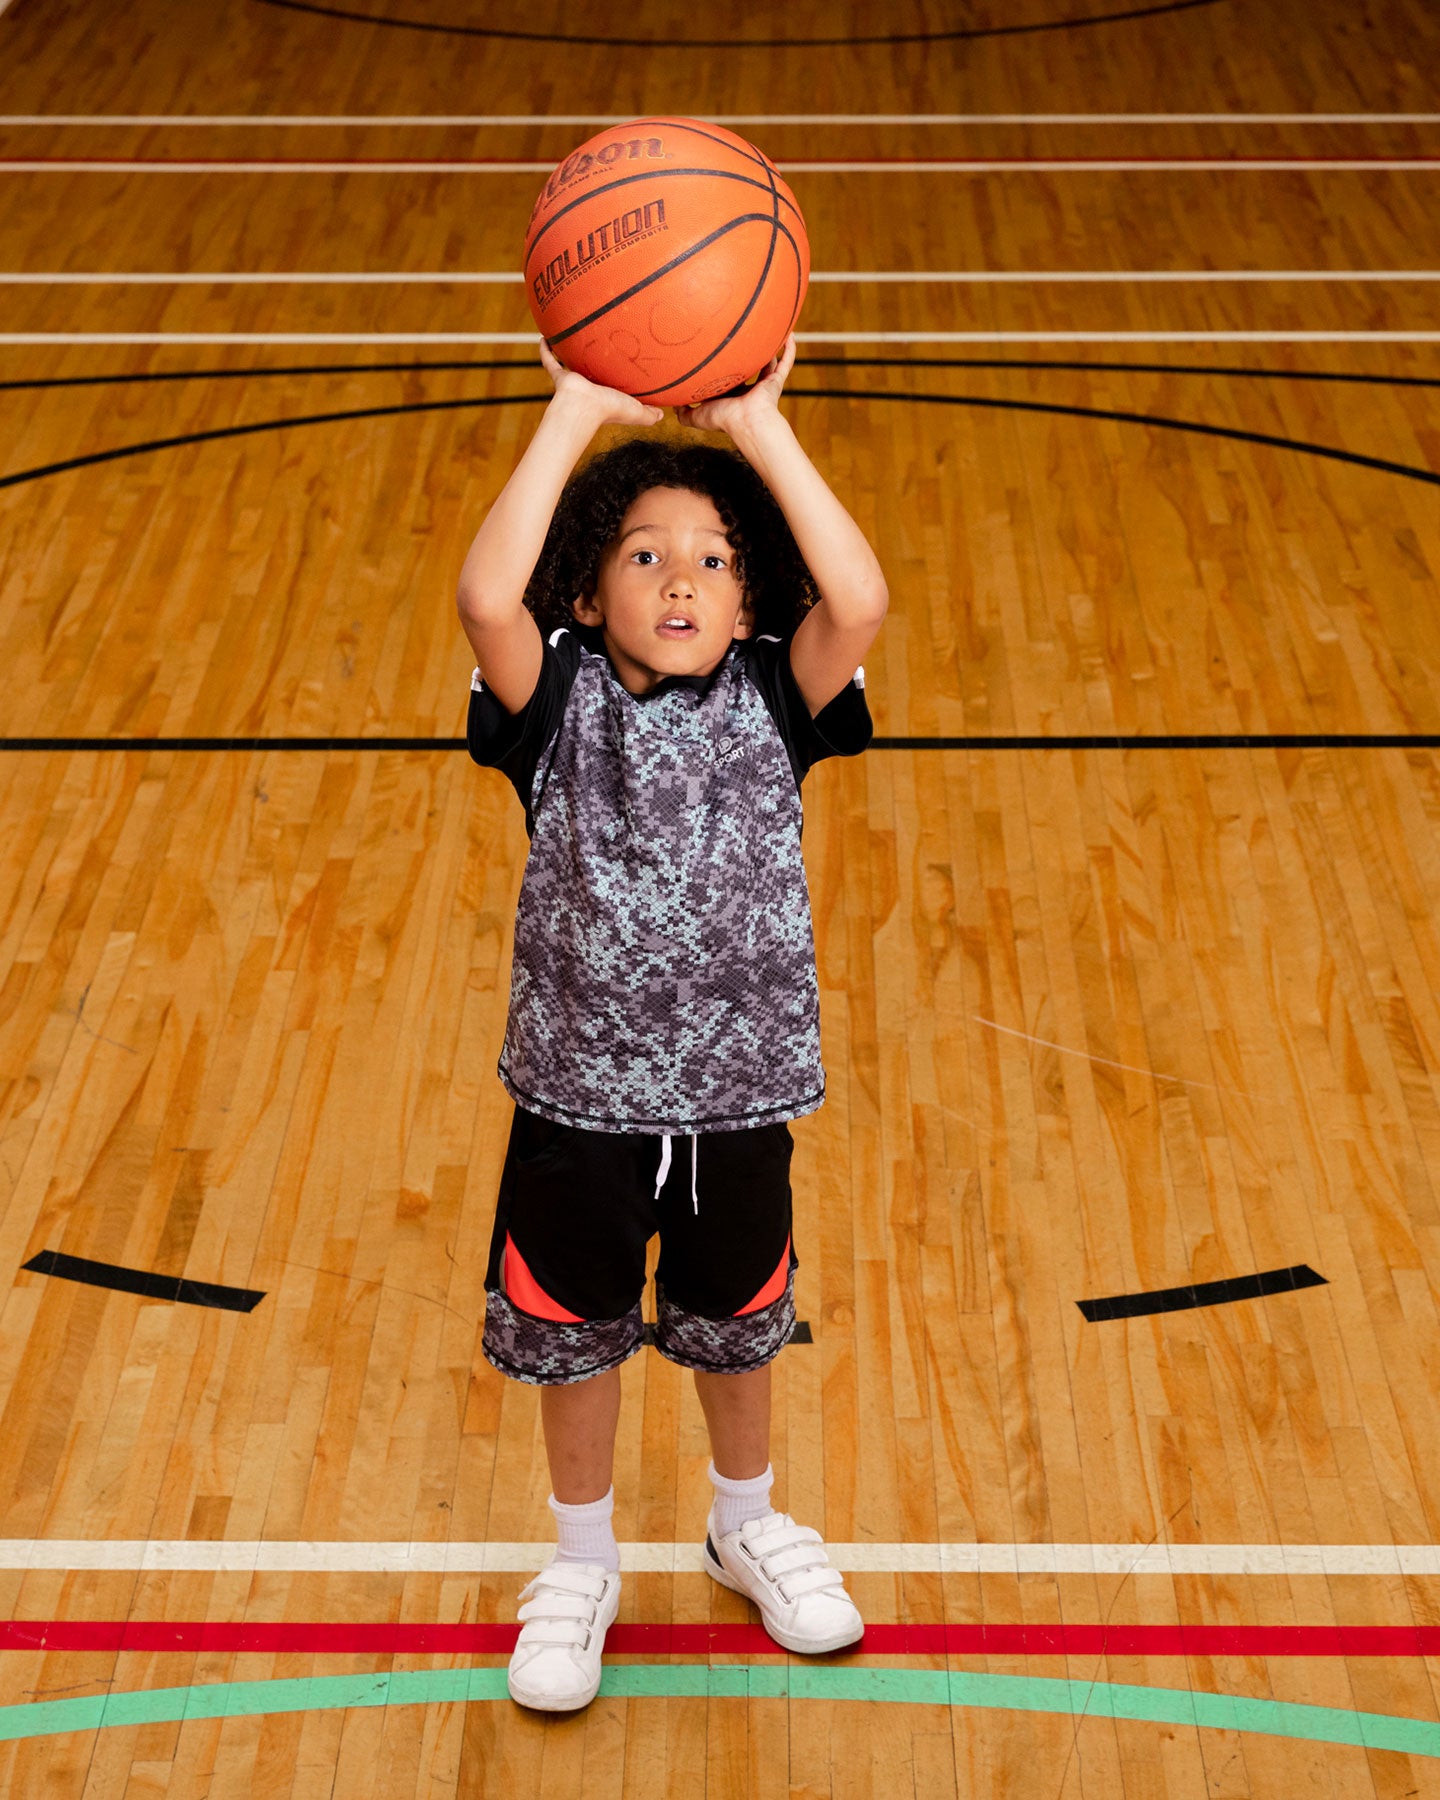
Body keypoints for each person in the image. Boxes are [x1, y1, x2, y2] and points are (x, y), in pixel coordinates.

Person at [456, 334, 888, 1712]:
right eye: (644, 556)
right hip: (578, 1101)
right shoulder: (554, 699)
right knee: (573, 1329)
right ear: (587, 592)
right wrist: (576, 408)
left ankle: (743, 1520)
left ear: (751, 597)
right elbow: (484, 595)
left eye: (713, 559)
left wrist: (757, 426)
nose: (682, 578)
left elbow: (861, 598)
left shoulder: (778, 695)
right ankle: (581, 1561)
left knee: (736, 1321)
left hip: (739, 1098)